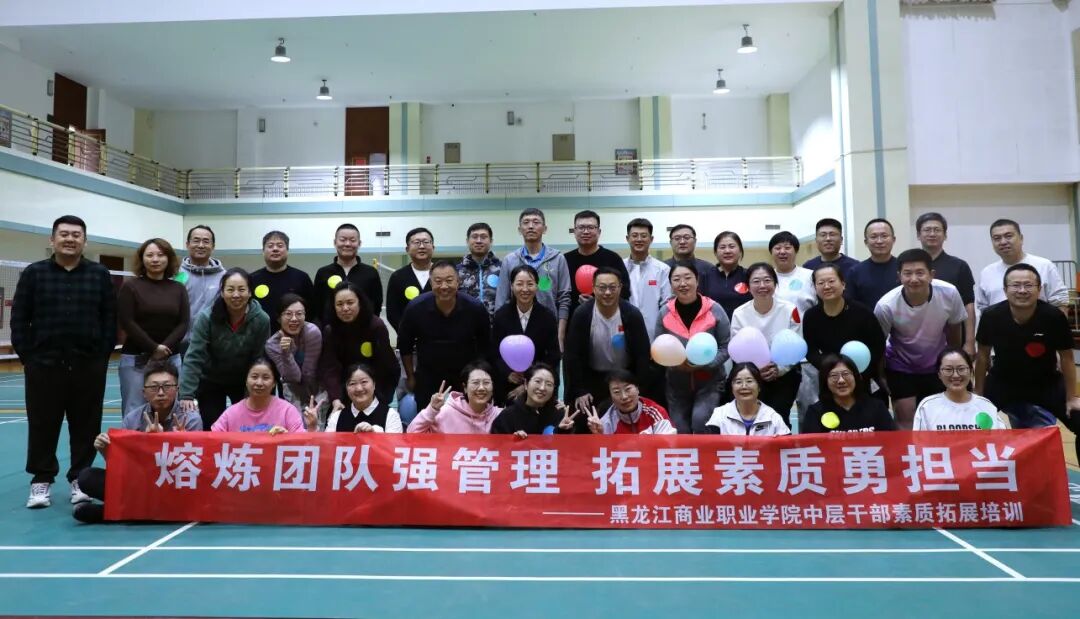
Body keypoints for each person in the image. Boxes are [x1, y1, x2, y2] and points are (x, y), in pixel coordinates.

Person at [13, 215, 117, 509]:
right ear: (52, 239)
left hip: (88, 365)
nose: (70, 239)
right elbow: (19, 318)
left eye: (76, 235)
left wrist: (101, 356)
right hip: (43, 365)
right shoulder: (34, 273)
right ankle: (41, 480)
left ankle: (80, 479)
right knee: (42, 423)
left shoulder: (99, 274)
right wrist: (29, 357)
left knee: (86, 424)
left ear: (84, 241)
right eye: (64, 234)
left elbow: (109, 318)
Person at [72, 362, 202, 524]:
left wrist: (166, 443)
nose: (161, 392)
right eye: (154, 387)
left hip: (175, 486)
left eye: (167, 386)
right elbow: (124, 468)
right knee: (87, 477)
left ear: (177, 389)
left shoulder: (190, 418)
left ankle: (116, 513)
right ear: (144, 393)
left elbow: (195, 470)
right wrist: (106, 450)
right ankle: (145, 512)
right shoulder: (132, 419)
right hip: (141, 485)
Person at [975, 264, 1080, 460]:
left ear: (1039, 289)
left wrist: (1072, 398)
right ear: (1005, 290)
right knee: (971, 424)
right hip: (1003, 382)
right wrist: (978, 396)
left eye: (1028, 285)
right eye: (1016, 285)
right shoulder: (991, 316)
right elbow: (982, 356)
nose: (1022, 290)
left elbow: (1067, 358)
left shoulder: (1053, 316)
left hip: (1046, 383)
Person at [875, 249, 966, 430]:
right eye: (907, 273)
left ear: (931, 275)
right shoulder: (886, 305)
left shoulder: (949, 293)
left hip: (936, 364)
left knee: (938, 418)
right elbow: (878, 344)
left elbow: (955, 329)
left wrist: (952, 364)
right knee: (905, 418)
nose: (914, 279)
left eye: (920, 273)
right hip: (900, 365)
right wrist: (881, 376)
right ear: (899, 276)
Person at [179, 267, 271, 430]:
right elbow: (194, 356)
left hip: (244, 380)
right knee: (212, 425)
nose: (236, 295)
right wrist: (186, 394)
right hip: (211, 379)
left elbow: (259, 358)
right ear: (222, 292)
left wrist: (254, 391)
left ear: (250, 292)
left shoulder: (261, 319)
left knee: (244, 426)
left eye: (241, 289)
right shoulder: (206, 317)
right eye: (230, 289)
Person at [398, 260, 492, 413]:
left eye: (449, 280)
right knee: (428, 419)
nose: (444, 286)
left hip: (464, 376)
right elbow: (405, 346)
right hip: (428, 376)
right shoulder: (415, 308)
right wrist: (410, 376)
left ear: (458, 281)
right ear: (431, 283)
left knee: (464, 419)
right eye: (438, 281)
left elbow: (485, 346)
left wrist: (478, 376)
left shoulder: (475, 308)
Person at [563, 267, 652, 415]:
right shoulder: (582, 314)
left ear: (620, 287)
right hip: (591, 378)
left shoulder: (632, 314)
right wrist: (579, 390)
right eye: (602, 288)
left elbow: (642, 355)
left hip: (625, 377)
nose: (607, 292)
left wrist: (639, 388)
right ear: (593, 288)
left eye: (612, 287)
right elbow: (573, 355)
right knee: (582, 414)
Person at [116, 238, 188, 417]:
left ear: (168, 258)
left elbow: (183, 323)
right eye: (150, 255)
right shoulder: (130, 286)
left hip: (171, 359)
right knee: (134, 411)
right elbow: (127, 321)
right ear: (142, 259)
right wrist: (153, 348)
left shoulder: (179, 288)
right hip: (136, 360)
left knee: (173, 411)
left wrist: (164, 349)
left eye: (160, 255)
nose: (155, 259)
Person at [655, 262, 730, 433]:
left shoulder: (714, 309)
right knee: (679, 429)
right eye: (676, 279)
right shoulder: (664, 312)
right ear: (671, 284)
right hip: (676, 384)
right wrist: (675, 364)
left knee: (700, 421)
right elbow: (657, 347)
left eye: (688, 278)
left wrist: (705, 364)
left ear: (697, 280)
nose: (683, 283)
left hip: (710, 382)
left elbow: (726, 346)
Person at [730, 263, 801, 427]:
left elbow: (796, 345)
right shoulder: (739, 313)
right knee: (753, 419)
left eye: (767, 280)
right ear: (748, 286)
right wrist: (756, 372)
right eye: (756, 281)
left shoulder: (790, 309)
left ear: (775, 284)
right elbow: (736, 350)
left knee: (780, 418)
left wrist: (779, 369)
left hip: (784, 374)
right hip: (751, 377)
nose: (762, 285)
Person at [803, 264, 887, 397]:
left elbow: (878, 346)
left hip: (863, 375)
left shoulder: (862, 312)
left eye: (831, 281)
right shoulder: (811, 316)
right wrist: (830, 368)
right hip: (830, 377)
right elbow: (810, 350)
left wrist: (856, 372)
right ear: (815, 288)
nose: (826, 286)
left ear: (843, 284)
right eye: (821, 283)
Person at [494, 208, 572, 349]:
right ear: (519, 229)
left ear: (545, 228)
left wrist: (560, 336)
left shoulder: (558, 259)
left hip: (547, 329)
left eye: (536, 222)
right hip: (515, 332)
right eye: (526, 222)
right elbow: (501, 300)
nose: (531, 226)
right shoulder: (509, 260)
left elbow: (564, 299)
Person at [318, 282, 398, 409]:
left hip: (375, 391)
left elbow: (386, 366)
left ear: (360, 303)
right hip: (344, 391)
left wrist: (377, 399)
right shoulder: (330, 330)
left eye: (350, 303)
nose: (345, 308)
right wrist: (336, 398)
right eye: (339, 304)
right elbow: (330, 367)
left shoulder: (376, 326)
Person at [490, 264, 561, 404]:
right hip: (507, 384)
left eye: (530, 284)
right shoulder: (501, 315)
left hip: (539, 384)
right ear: (511, 286)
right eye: (519, 284)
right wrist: (508, 373)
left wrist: (529, 383)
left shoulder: (547, 317)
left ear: (537, 286)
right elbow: (493, 352)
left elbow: (553, 355)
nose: (525, 289)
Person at [975, 219, 1068, 314]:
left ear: (1021, 238)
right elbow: (984, 308)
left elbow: (1060, 302)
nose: (1003, 242)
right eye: (997, 238)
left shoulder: (1045, 266)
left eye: (1008, 236)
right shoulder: (987, 273)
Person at [916, 213, 976, 355]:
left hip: (954, 337)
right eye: (927, 230)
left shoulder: (959, 266)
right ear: (918, 235)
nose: (932, 234)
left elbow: (968, 305)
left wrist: (970, 342)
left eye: (937, 230)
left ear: (945, 235)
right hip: (917, 339)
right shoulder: (910, 266)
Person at [212, 357, 316, 433]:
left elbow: (303, 444)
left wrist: (311, 427)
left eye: (266, 378)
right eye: (254, 377)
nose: (259, 383)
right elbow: (212, 441)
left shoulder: (287, 411)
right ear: (246, 381)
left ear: (274, 383)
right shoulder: (231, 413)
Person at [914, 349, 1009, 431]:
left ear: (971, 371)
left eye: (961, 369)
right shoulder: (927, 406)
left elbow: (1001, 440)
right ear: (939, 374)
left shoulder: (985, 406)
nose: (955, 375)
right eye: (948, 370)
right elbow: (919, 443)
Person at [801, 354, 896, 433]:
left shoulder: (877, 408)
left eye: (846, 374)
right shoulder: (815, 412)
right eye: (834, 376)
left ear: (856, 377)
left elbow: (890, 442)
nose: (841, 380)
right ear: (825, 381)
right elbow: (811, 445)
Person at [564, 210, 631, 318]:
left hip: (607, 319)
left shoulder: (613, 259)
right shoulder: (565, 260)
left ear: (599, 231)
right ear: (574, 231)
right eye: (581, 227)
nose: (586, 231)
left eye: (591, 227)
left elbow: (625, 291)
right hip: (572, 321)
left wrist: (599, 301)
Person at [312, 223, 383, 321]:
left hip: (363, 329)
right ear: (335, 242)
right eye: (342, 240)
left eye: (352, 240)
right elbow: (317, 306)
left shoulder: (371, 273)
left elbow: (377, 305)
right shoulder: (323, 273)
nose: (347, 244)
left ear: (359, 243)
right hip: (331, 329)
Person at [408, 362, 502, 433]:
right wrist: (431, 410)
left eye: (486, 383)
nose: (481, 388)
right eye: (475, 383)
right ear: (465, 387)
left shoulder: (500, 415)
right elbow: (411, 435)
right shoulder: (445, 412)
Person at [250, 230, 314, 334]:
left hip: (297, 337)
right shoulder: (252, 279)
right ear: (263, 251)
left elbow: (312, 312)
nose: (275, 249)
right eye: (270, 246)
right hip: (261, 337)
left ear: (287, 250)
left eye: (280, 245)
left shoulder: (302, 277)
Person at [264, 294, 322, 409]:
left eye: (299, 314)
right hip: (292, 389)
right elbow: (294, 378)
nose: (294, 319)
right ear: (279, 318)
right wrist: (286, 353)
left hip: (317, 388)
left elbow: (308, 374)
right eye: (288, 314)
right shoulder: (272, 344)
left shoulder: (312, 332)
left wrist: (310, 405)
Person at [704, 363, 790, 436]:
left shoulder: (772, 417)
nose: (744, 386)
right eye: (738, 382)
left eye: (749, 381)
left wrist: (780, 442)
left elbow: (788, 446)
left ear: (759, 387)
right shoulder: (719, 414)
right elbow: (710, 446)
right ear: (732, 387)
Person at [582, 369, 676, 434]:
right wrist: (599, 435)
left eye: (628, 389)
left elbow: (667, 445)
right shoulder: (607, 422)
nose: (624, 397)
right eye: (616, 392)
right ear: (611, 396)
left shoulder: (655, 412)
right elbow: (603, 453)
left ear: (637, 389)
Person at [177, 225, 225, 351]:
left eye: (206, 241)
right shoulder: (176, 274)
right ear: (187, 244)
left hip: (211, 344)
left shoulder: (224, 277)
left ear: (213, 246)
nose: (201, 245)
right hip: (178, 344)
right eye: (196, 240)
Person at [490, 363, 570, 437]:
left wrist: (563, 431)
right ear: (526, 384)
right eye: (537, 381)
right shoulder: (507, 416)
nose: (542, 388)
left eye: (549, 384)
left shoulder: (559, 415)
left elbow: (567, 445)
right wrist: (513, 441)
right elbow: (496, 443)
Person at [623, 217, 671, 340]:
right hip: (623, 331)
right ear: (627, 238)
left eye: (644, 236)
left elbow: (667, 305)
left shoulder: (662, 269)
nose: (639, 239)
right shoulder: (619, 267)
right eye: (635, 235)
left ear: (651, 239)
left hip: (654, 333)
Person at [321, 363, 402, 433]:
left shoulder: (391, 415)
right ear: (346, 387)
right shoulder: (337, 417)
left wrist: (375, 432)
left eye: (364, 382)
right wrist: (314, 427)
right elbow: (328, 445)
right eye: (352, 383)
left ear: (374, 384)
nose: (359, 389)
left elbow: (394, 445)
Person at [386, 227, 434, 333]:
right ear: (407, 249)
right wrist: (406, 334)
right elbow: (392, 313)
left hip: (442, 338)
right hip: (408, 338)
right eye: (416, 242)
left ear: (433, 247)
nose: (422, 246)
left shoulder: (444, 274)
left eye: (426, 242)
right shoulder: (398, 277)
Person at [845, 218, 899, 310]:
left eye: (884, 236)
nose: (879, 241)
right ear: (866, 242)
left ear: (893, 240)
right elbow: (850, 305)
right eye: (874, 237)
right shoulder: (855, 272)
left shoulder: (904, 269)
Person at [701, 231, 751, 318]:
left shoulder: (749, 275)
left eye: (732, 246)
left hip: (743, 324)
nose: (727, 251)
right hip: (713, 325)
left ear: (740, 251)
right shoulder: (705, 276)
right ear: (715, 252)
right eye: (722, 247)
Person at [456, 222, 502, 318]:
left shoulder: (502, 268)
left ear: (491, 241)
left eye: (483, 237)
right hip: (466, 324)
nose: (479, 241)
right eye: (474, 237)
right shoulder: (457, 271)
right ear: (467, 241)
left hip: (496, 323)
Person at [770, 231, 816, 320]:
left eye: (787, 248)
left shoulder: (810, 276)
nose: (782, 252)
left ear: (796, 251)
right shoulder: (766, 278)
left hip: (805, 327)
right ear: (771, 252)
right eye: (778, 248)